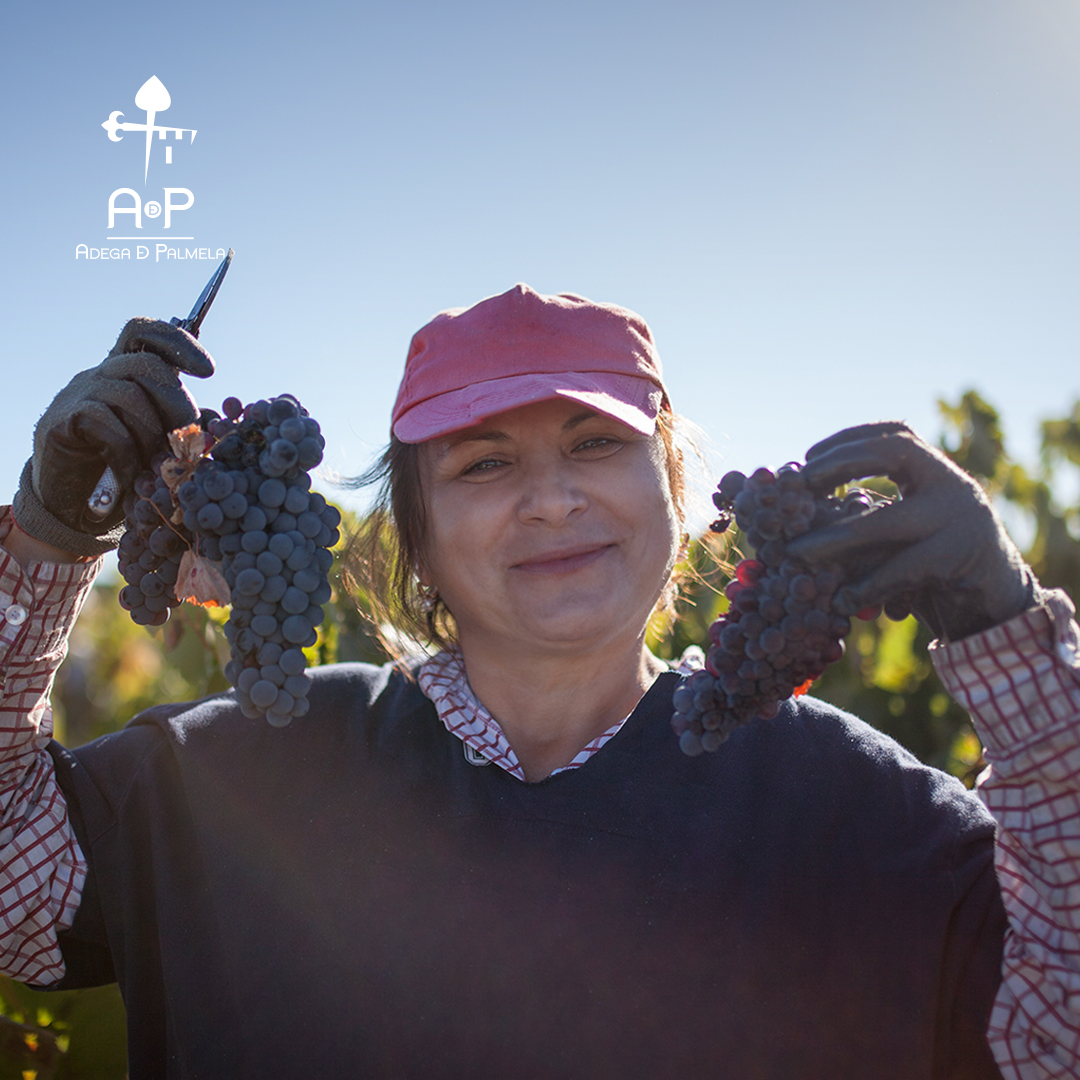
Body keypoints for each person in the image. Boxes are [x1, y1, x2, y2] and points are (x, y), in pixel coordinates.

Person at [0, 283, 1077, 1079]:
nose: (552, 498)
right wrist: (45, 540)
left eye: (596, 444)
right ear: (415, 540)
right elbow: (18, 897)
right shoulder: (241, 775)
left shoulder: (852, 804)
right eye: (483, 463)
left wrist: (1011, 640)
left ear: (673, 487)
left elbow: (1051, 1033)